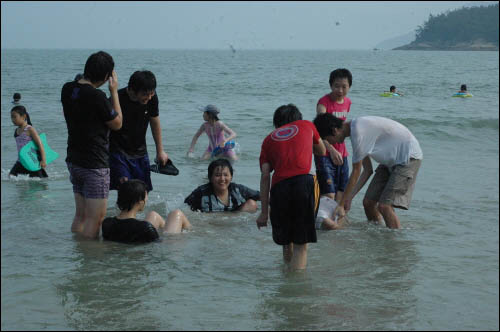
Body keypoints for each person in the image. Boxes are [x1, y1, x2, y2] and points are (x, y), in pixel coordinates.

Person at [313, 113, 423, 229]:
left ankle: (394, 243)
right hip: (389, 161)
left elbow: (356, 171)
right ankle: (378, 235)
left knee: (384, 206)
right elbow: (368, 170)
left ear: (335, 130)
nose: (332, 144)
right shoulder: (355, 132)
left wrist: (341, 204)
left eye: (328, 140)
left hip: (407, 158)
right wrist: (349, 198)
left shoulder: (358, 132)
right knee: (368, 203)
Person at [61, 50, 123, 239]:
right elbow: (117, 123)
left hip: (74, 159)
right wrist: (114, 92)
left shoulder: (67, 89)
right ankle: (89, 260)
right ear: (106, 76)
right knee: (95, 219)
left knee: (81, 215)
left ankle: (77, 253)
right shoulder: (97, 97)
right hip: (94, 164)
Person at [256, 104, 326, 270]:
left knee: (286, 242)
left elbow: (265, 175)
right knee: (301, 243)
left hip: (279, 188)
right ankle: (296, 291)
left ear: (276, 123)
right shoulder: (307, 125)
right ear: (298, 118)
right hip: (304, 183)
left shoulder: (268, 139)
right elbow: (322, 150)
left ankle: (287, 275)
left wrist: (264, 213)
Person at [109, 70, 169, 193]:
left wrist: (160, 151)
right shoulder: (116, 99)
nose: (149, 97)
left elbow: (155, 121)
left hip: (140, 152)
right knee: (126, 188)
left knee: (142, 192)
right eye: (145, 94)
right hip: (118, 151)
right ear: (131, 90)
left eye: (151, 93)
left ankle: (137, 213)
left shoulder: (152, 98)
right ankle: (124, 212)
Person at [102, 179, 192, 243]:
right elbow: (161, 246)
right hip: (167, 244)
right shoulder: (145, 228)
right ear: (140, 201)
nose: (147, 199)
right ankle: (192, 232)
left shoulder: (107, 223)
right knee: (176, 213)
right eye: (146, 196)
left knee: (153, 215)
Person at [315, 68, 352, 203]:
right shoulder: (323, 103)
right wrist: (330, 149)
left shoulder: (348, 102)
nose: (340, 90)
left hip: (342, 152)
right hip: (325, 152)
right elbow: (318, 129)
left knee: (341, 192)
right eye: (336, 86)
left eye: (344, 86)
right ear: (331, 85)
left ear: (349, 86)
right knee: (328, 193)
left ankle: (337, 221)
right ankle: (321, 221)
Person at [184, 158, 259, 213]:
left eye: (226, 175)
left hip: (234, 224)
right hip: (212, 226)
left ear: (231, 177)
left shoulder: (238, 190)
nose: (222, 179)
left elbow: (262, 196)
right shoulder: (201, 193)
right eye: (217, 175)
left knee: (251, 204)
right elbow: (185, 208)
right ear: (210, 178)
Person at [9, 105, 48, 178]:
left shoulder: (30, 129)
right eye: (11, 117)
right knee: (10, 177)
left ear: (23, 117)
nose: (12, 119)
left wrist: (43, 160)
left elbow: (40, 145)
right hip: (20, 161)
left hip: (31, 161)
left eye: (14, 117)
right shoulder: (16, 130)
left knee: (40, 182)